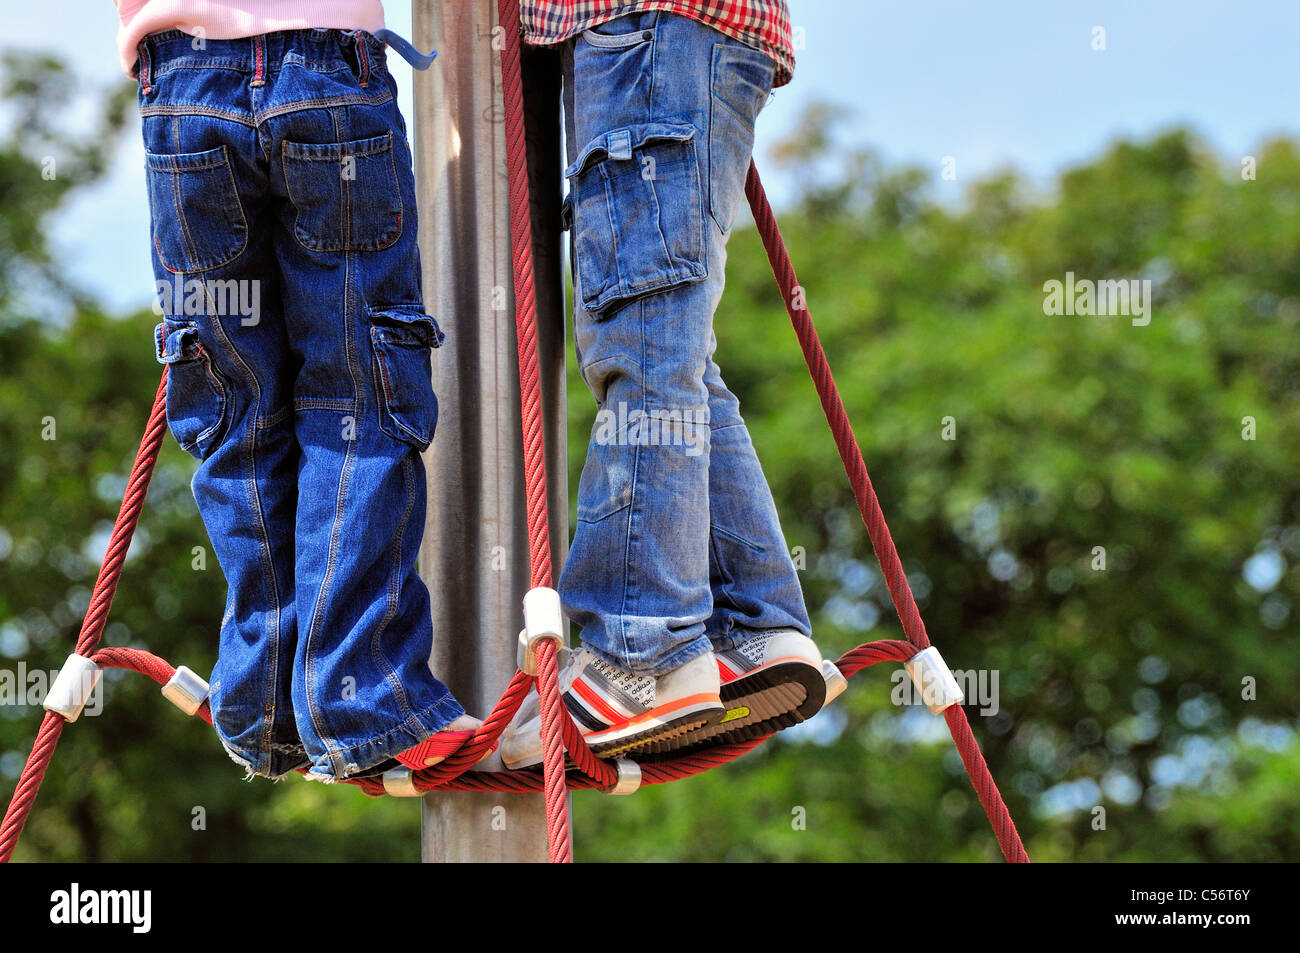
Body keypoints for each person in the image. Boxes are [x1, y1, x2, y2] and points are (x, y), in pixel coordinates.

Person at [113, 1, 479, 782]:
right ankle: (363, 701)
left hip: (183, 88)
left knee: (232, 410)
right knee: (358, 397)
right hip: (325, 74)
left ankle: (267, 702)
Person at [501, 3, 827, 768]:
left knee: (644, 347)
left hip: (643, 35)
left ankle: (640, 652)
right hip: (675, 40)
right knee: (673, 352)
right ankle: (751, 626)